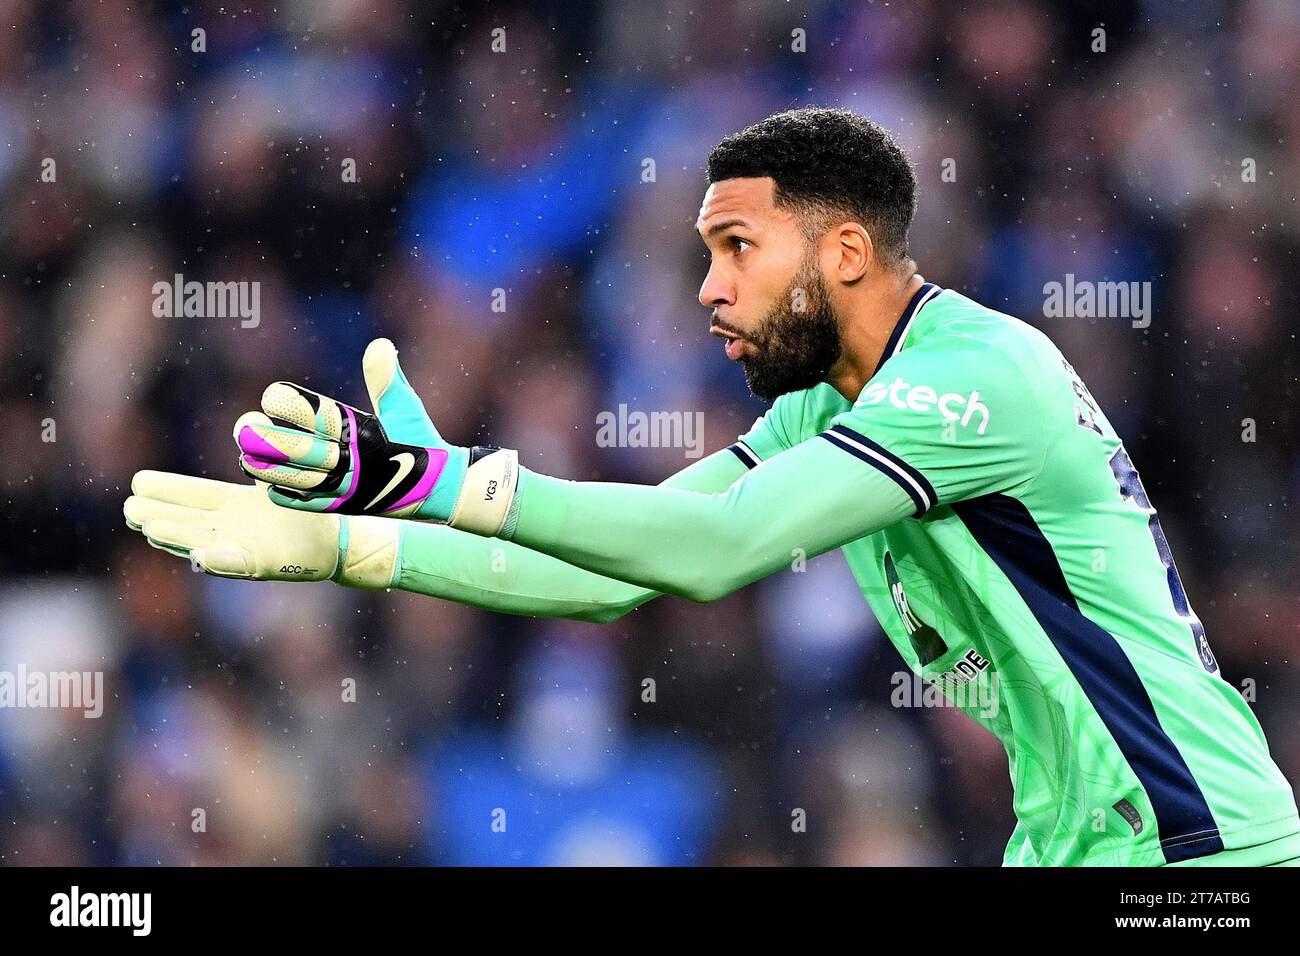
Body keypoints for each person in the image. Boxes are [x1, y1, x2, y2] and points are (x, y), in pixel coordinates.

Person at [125, 107, 1300, 866]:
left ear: (844, 252)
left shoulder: (978, 378)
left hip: (1202, 854)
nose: (705, 288)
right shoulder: (820, 406)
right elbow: (619, 573)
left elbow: (718, 546)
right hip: (1069, 844)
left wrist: (444, 480)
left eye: (737, 247)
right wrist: (368, 542)